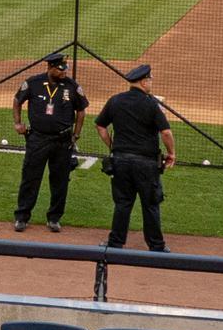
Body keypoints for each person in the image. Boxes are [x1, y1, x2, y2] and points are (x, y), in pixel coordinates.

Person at [94, 64, 174, 253]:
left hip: (120, 161)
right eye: (150, 80)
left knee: (122, 203)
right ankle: (156, 246)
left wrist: (113, 146)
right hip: (146, 165)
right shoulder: (151, 104)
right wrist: (172, 153)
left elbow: (100, 126)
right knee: (151, 204)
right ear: (143, 81)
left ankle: (115, 243)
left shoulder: (115, 101)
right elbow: (166, 133)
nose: (151, 83)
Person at [11, 53, 88, 233]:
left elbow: (81, 111)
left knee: (60, 181)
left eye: (66, 68)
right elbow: (17, 100)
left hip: (62, 141)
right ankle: (22, 217)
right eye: (61, 69)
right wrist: (17, 123)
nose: (65, 71)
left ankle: (54, 218)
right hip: (38, 138)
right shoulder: (33, 83)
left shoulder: (72, 86)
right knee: (30, 178)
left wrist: (75, 135)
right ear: (51, 68)